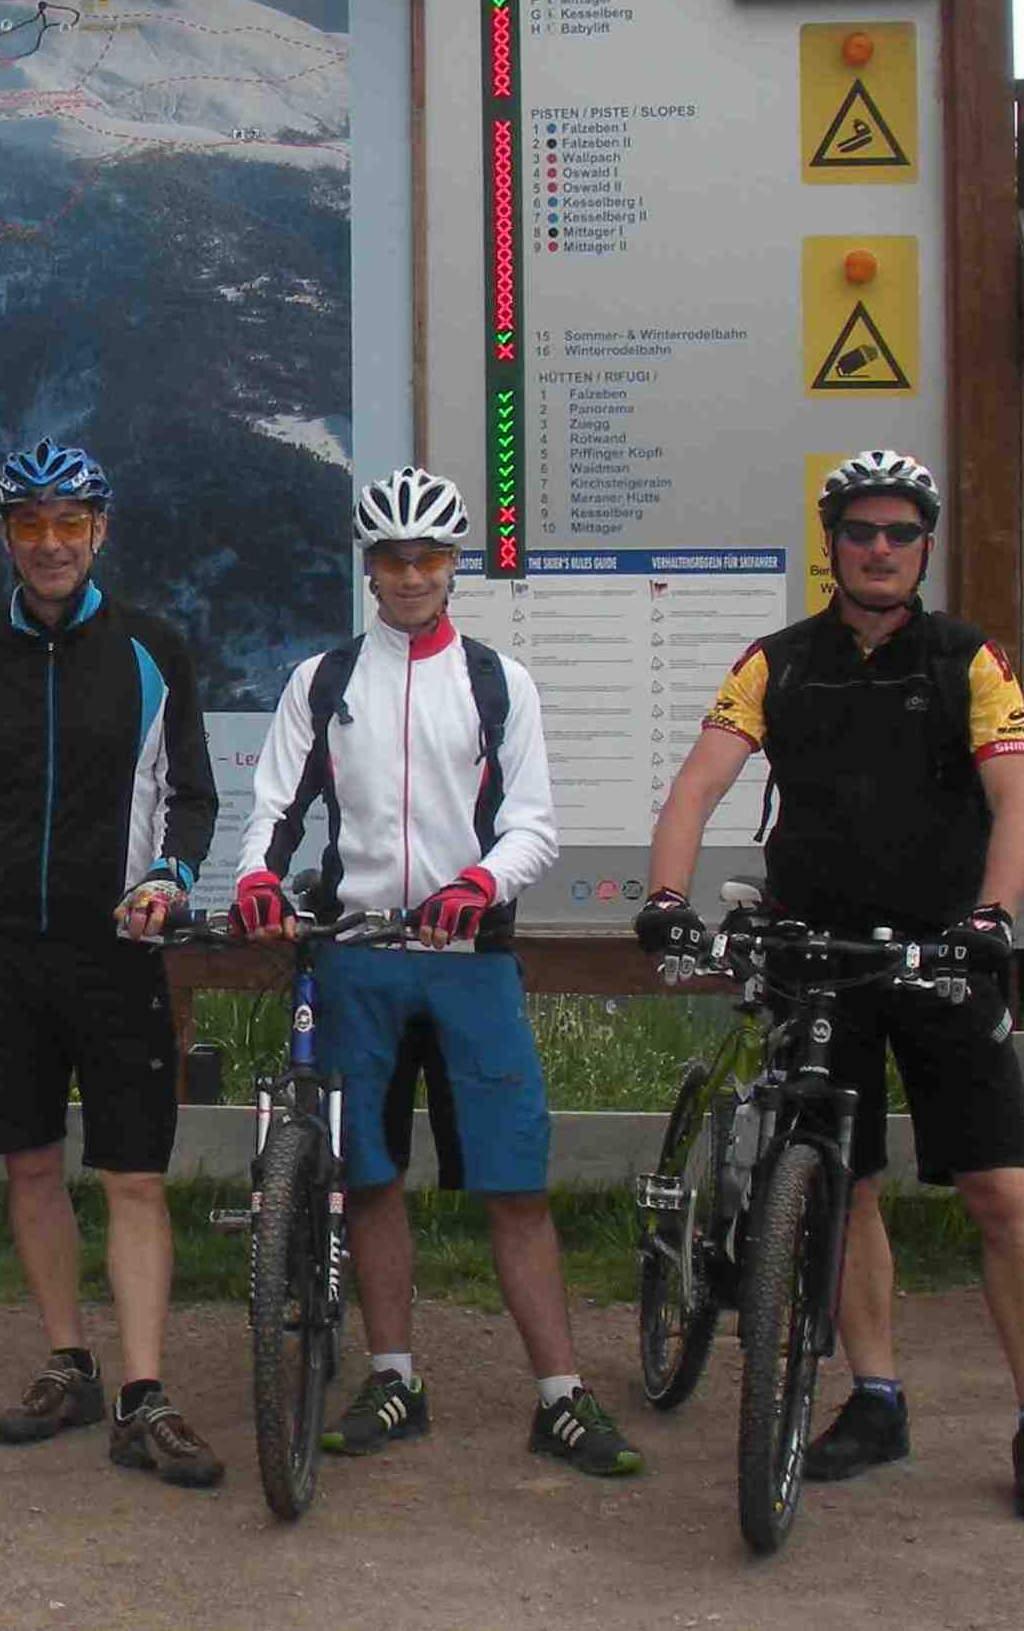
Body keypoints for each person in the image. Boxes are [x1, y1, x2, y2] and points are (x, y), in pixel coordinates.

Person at [638, 448, 1024, 1520]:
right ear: (831, 543)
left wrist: (993, 919)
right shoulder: (776, 660)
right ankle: (875, 1397)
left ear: (922, 546)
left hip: (938, 955)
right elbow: (699, 782)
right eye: (860, 531)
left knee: (999, 1189)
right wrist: (662, 892)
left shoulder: (968, 658)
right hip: (811, 956)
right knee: (845, 1183)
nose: (880, 548)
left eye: (900, 532)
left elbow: (1016, 798)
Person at [234, 465, 642, 1478]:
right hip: (357, 956)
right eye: (390, 557)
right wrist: (254, 876)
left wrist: (480, 879)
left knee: (513, 1182)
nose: (409, 573)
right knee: (366, 1179)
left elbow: (534, 822)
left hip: (468, 960)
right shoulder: (323, 681)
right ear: (368, 566)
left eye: (427, 555)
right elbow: (276, 807)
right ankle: (393, 1374)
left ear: (453, 563)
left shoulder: (498, 681)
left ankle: (560, 1393)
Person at [0, 438, 225, 1489]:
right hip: (3, 954)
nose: (49, 543)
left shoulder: (152, 649)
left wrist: (168, 873)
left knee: (131, 1174)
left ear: (99, 529)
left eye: (68, 522)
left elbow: (193, 796)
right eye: (28, 523)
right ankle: (68, 1359)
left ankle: (145, 1391)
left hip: (115, 950)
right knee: (29, 1163)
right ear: (5, 535)